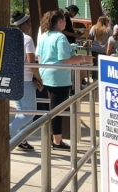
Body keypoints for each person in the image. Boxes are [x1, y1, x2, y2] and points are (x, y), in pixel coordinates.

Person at [36, 9, 92, 151]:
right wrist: (84, 58)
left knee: (47, 108)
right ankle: (57, 140)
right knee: (58, 110)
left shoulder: (43, 36)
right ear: (60, 21)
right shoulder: (60, 38)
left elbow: (39, 57)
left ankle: (50, 137)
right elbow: (65, 59)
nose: (66, 22)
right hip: (59, 77)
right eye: (64, 20)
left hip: (45, 74)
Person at [9, 11, 43, 151]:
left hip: (14, 78)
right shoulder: (27, 39)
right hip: (26, 79)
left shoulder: (11, 38)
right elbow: (31, 62)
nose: (30, 24)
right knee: (30, 112)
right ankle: (7, 132)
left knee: (21, 111)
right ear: (24, 24)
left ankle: (20, 139)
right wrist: (39, 78)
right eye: (29, 22)